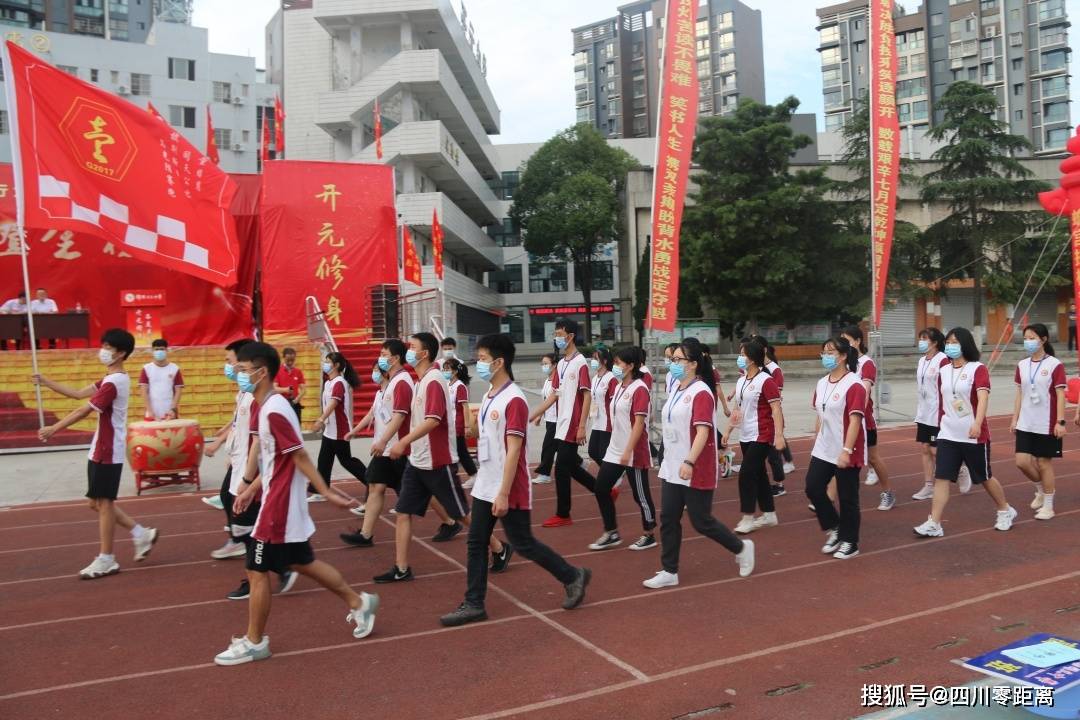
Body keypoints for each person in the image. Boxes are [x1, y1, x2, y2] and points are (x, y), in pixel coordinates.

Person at [214, 342, 379, 666]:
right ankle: (359, 602)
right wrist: (249, 487)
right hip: (276, 498)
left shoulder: (275, 408)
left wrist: (326, 491)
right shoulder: (265, 405)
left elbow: (299, 455)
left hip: (279, 505)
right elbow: (274, 459)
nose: (237, 373)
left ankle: (254, 641)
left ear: (261, 372)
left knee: (256, 569)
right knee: (303, 562)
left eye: (243, 369)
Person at [439, 334, 591, 627]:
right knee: (476, 541)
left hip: (509, 485)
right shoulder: (488, 396)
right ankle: (474, 603)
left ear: (498, 362)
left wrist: (504, 493)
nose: (478, 364)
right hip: (487, 482)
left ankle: (572, 576)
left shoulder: (514, 400)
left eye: (483, 359)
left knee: (523, 543)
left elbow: (514, 450)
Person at [378, 333, 510, 582]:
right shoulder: (420, 381)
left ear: (424, 353)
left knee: (461, 513)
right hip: (417, 461)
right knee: (403, 512)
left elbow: (433, 419)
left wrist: (403, 441)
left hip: (437, 460)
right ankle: (401, 568)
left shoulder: (434, 380)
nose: (408, 351)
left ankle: (499, 548)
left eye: (412, 347)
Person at [34, 329, 159, 579]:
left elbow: (84, 410)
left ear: (121, 353)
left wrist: (53, 429)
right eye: (103, 345)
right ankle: (141, 534)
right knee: (95, 502)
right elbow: (79, 393)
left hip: (108, 449)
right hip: (99, 446)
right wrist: (46, 381)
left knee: (104, 504)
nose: (103, 350)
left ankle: (107, 558)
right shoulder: (109, 378)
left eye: (108, 347)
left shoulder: (115, 382)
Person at [643, 338, 754, 589]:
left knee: (701, 521)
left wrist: (689, 461)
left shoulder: (701, 392)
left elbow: (703, 432)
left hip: (694, 466)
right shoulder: (676, 389)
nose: (673, 364)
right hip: (673, 466)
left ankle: (741, 547)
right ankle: (669, 570)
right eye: (672, 360)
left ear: (693, 363)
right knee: (669, 517)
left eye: (678, 360)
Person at [204, 338, 296, 599]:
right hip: (240, 465)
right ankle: (270, 567)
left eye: (232, 363)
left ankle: (273, 569)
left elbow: (264, 441)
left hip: (250, 470)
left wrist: (248, 476)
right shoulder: (244, 394)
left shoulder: (260, 398)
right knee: (241, 518)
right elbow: (238, 425)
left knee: (247, 524)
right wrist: (224, 444)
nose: (230, 368)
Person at [913, 327, 1017, 538]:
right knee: (941, 477)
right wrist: (941, 425)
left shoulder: (977, 369)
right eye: (948, 342)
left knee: (984, 478)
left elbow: (983, 398)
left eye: (955, 342)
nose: (950, 346)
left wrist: (977, 424)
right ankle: (934, 522)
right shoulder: (943, 370)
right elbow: (944, 401)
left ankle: (1005, 509)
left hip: (973, 435)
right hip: (948, 434)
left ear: (965, 344)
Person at [339, 341, 412, 547]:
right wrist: (357, 432)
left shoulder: (402, 382)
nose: (380, 358)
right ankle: (365, 534)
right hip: (386, 450)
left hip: (398, 450)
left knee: (419, 493)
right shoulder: (390, 385)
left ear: (395, 358)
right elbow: (378, 414)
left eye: (383, 354)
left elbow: (399, 416)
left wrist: (383, 441)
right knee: (374, 485)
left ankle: (450, 519)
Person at [528, 320, 597, 527]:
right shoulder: (562, 364)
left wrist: (582, 425)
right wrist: (532, 414)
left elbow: (586, 396)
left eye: (559, 333)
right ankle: (602, 489)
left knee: (561, 467)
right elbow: (553, 396)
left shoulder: (580, 363)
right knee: (569, 465)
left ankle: (563, 514)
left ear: (570, 336)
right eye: (555, 334)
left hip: (574, 423)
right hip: (561, 423)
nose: (556, 338)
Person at [589, 347, 657, 551]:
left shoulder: (640, 389)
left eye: (619, 363)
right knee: (601, 488)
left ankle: (649, 533)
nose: (615, 366)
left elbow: (639, 423)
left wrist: (628, 450)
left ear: (631, 365)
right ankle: (611, 532)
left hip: (634, 451)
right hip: (615, 449)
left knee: (641, 495)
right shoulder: (619, 387)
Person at [805, 336, 868, 560]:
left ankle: (851, 541)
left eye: (831, 352)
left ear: (843, 356)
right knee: (813, 487)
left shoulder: (854, 385)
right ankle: (835, 527)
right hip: (824, 447)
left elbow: (855, 420)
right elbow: (820, 414)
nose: (826, 356)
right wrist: (816, 436)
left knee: (847, 496)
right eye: (824, 352)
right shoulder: (822, 383)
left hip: (847, 448)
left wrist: (846, 450)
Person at [724, 338, 784, 534]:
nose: (740, 358)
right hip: (746, 434)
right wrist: (727, 431)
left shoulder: (766, 381)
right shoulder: (741, 380)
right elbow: (737, 408)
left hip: (763, 434)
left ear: (752, 359)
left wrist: (779, 435)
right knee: (759, 475)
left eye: (742, 355)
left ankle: (747, 517)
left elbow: (776, 409)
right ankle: (769, 514)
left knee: (746, 474)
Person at [1012, 324, 1066, 520]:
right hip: (1026, 422)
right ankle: (1040, 490)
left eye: (1032, 338)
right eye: (1025, 338)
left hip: (1047, 422)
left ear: (1043, 340)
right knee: (1022, 462)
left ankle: (1049, 506)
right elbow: (1019, 393)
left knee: (1043, 463)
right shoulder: (1022, 365)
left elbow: (1061, 395)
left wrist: (1060, 422)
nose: (1028, 341)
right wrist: (1014, 418)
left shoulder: (1054, 365)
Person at [841, 325, 894, 510]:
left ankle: (888, 493)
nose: (844, 345)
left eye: (847, 341)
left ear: (857, 341)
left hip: (863, 419)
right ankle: (827, 498)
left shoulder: (867, 363)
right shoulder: (843, 362)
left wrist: (857, 415)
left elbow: (864, 392)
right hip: (842, 419)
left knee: (873, 458)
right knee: (837, 456)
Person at [311, 351, 367, 500]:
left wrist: (321, 419)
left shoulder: (339, 383)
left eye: (328, 361)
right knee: (324, 460)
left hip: (339, 430)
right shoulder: (329, 382)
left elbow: (334, 403)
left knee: (346, 461)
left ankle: (371, 480)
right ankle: (320, 491)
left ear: (336, 365)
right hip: (330, 430)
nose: (325, 364)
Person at [912, 328, 954, 501]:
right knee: (925, 449)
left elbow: (948, 385)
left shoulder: (943, 360)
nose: (921, 341)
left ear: (935, 342)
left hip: (937, 412)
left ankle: (959, 467)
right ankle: (929, 485)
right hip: (923, 412)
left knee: (935, 450)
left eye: (924, 338)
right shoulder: (922, 360)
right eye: (920, 338)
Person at [759, 338, 794, 496]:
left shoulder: (774, 370)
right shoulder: (753, 368)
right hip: (756, 420)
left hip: (770, 417)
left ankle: (779, 484)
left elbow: (776, 396)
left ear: (764, 350)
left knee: (773, 454)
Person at [444, 358, 478, 489]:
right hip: (449, 424)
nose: (445, 371)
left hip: (457, 424)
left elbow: (464, 407)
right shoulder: (448, 385)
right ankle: (471, 475)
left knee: (460, 451)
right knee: (457, 451)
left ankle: (474, 475)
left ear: (455, 372)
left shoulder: (460, 386)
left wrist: (467, 426)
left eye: (447, 369)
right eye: (444, 369)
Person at [587, 345, 618, 469]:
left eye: (596, 358)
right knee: (593, 451)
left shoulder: (611, 378)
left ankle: (612, 475)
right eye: (592, 358)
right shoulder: (594, 378)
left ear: (604, 361)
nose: (593, 361)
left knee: (603, 453)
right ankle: (612, 473)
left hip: (608, 422)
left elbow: (614, 402)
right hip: (597, 421)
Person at [138, 338, 183, 421]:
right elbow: (143, 391)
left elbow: (178, 391)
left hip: (170, 414)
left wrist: (172, 409)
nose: (159, 351)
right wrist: (150, 411)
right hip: (152, 413)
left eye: (162, 349)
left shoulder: (175, 368)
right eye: (156, 349)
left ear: (166, 350)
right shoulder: (146, 368)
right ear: (152, 351)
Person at [531, 353, 558, 484]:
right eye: (542, 364)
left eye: (546, 363)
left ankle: (544, 473)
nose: (544, 366)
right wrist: (540, 416)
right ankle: (580, 463)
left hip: (558, 420)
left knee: (548, 446)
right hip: (550, 419)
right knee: (558, 446)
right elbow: (545, 400)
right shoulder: (547, 381)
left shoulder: (558, 381)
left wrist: (535, 415)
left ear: (554, 365)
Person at [273, 347, 306, 422]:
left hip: (294, 403)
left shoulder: (298, 371)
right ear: (283, 358)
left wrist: (297, 399)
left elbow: (303, 389)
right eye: (288, 360)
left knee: (296, 426)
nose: (290, 362)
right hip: (281, 403)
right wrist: (285, 390)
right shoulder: (278, 371)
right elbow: (274, 388)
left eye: (292, 360)